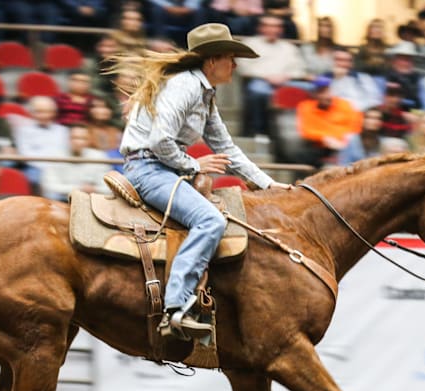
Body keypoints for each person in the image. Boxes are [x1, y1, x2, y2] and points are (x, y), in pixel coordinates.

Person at [115, 23, 292, 338]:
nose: (235, 65)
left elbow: (226, 148)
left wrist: (266, 184)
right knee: (210, 221)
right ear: (212, 61)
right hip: (148, 169)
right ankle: (176, 307)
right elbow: (159, 140)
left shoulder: (205, 95)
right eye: (230, 58)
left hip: (162, 168)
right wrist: (193, 163)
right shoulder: (185, 86)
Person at [236, 14, 306, 137]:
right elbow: (243, 68)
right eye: (268, 26)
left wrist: (286, 76)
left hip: (285, 82)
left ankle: (301, 132)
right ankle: (260, 131)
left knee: (309, 89)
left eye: (276, 26)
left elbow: (299, 70)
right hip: (260, 81)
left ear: (281, 29)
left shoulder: (289, 47)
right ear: (261, 28)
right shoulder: (250, 44)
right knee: (258, 91)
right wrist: (267, 77)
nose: (272, 29)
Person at [295, 75, 363, 167]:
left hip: (345, 144)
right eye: (321, 92)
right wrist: (325, 138)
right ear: (315, 94)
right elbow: (306, 131)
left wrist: (339, 140)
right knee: (302, 154)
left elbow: (355, 127)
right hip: (321, 147)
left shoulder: (345, 105)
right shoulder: (306, 107)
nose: (326, 96)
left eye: (328, 91)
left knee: (353, 141)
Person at [329, 46, 382, 113]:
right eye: (339, 60)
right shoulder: (324, 79)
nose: (343, 64)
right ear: (331, 61)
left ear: (352, 64)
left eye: (347, 61)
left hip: (359, 116)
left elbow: (375, 101)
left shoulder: (364, 78)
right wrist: (337, 79)